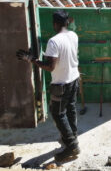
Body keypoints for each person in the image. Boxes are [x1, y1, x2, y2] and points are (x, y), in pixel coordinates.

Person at [17, 10, 80, 162]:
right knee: (70, 110)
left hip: (61, 84)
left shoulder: (54, 41)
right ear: (67, 23)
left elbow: (50, 67)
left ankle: (72, 146)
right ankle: (71, 139)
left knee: (58, 114)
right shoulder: (73, 35)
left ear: (55, 24)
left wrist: (31, 59)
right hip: (74, 79)